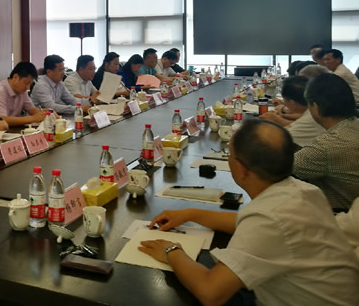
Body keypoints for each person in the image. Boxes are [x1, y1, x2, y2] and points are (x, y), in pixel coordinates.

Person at [139, 119, 359, 306]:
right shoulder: (303, 191)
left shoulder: (269, 216)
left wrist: (172, 251)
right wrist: (191, 214)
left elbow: (211, 292)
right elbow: (247, 223)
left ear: (242, 168)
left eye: (230, 156)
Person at [293, 73, 359, 210]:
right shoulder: (354, 125)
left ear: (315, 107)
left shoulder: (328, 145)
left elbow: (284, 167)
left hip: (340, 217)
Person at [261, 76, 326, 147]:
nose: (284, 103)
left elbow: (274, 138)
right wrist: (279, 117)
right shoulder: (316, 107)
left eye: (284, 100)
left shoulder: (312, 118)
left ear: (292, 103)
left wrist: (270, 123)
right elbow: (298, 123)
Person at [0, 62, 45, 126]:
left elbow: (33, 110)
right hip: (1, 130)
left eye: (30, 84)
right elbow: (1, 119)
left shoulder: (21, 91)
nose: (28, 87)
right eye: (26, 83)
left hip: (16, 129)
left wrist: (46, 113)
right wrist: (32, 118)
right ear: (15, 77)